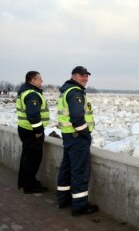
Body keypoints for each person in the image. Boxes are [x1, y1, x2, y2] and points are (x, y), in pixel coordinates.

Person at [56, 66, 98, 216]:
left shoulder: (67, 90)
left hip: (68, 136)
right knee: (79, 172)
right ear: (73, 76)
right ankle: (79, 206)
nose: (85, 78)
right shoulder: (75, 92)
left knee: (66, 168)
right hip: (77, 138)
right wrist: (86, 135)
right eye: (81, 75)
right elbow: (77, 118)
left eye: (86, 75)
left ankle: (64, 199)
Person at [16, 71, 49, 193]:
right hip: (32, 131)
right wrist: (39, 130)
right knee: (33, 159)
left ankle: (25, 182)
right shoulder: (32, 94)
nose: (42, 81)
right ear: (33, 80)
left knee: (27, 158)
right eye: (40, 79)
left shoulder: (25, 92)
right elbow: (33, 115)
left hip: (25, 129)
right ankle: (30, 186)